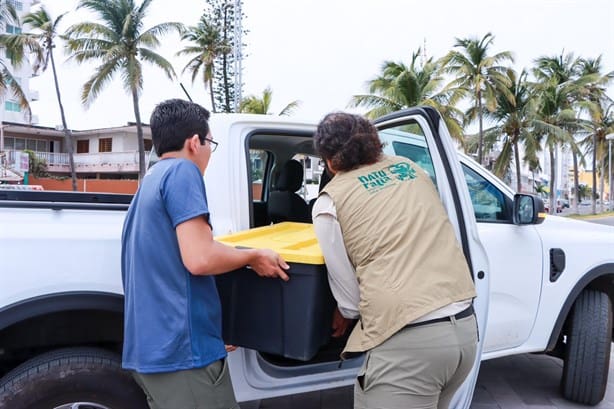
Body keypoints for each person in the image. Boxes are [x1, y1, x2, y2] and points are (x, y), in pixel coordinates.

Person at [121, 99, 289, 409]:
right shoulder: (183, 172)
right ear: (194, 142)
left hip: (151, 351)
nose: (209, 151)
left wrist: (208, 331)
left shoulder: (151, 180)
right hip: (181, 355)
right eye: (210, 142)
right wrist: (253, 256)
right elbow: (200, 258)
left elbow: (169, 269)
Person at [311, 112, 477, 409]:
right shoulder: (410, 168)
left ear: (330, 161)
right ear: (375, 143)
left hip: (410, 348)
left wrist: (340, 312)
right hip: (464, 334)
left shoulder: (329, 202)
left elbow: (350, 303)